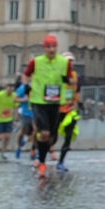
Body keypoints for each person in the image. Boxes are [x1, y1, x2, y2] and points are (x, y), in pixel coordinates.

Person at [24, 35, 75, 179]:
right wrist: (26, 86)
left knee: (52, 138)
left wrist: (68, 80)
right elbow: (26, 75)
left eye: (54, 46)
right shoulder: (36, 61)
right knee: (44, 133)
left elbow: (71, 80)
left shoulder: (64, 63)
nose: (51, 49)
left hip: (56, 102)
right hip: (39, 101)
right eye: (48, 47)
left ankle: (40, 156)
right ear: (44, 48)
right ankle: (41, 162)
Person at [55, 57, 82, 172]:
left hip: (70, 110)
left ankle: (61, 161)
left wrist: (77, 102)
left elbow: (78, 90)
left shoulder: (76, 76)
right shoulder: (57, 75)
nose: (70, 63)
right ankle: (40, 156)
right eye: (68, 61)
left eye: (72, 61)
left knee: (68, 136)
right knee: (51, 136)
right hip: (56, 109)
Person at [0, 82, 18, 157]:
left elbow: (15, 107)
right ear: (6, 88)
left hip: (8, 119)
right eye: (9, 87)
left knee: (7, 136)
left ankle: (3, 152)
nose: (10, 89)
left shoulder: (14, 95)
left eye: (12, 87)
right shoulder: (0, 95)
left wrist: (15, 119)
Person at [12, 79, 32, 159]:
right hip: (26, 113)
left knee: (35, 131)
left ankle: (34, 151)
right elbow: (15, 99)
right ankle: (19, 147)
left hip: (37, 113)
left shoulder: (40, 85)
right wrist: (24, 99)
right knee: (24, 131)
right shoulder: (24, 87)